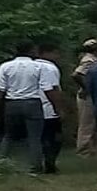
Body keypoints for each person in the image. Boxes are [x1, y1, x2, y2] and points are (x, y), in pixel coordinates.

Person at [0, 41, 56, 174]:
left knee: (9, 135)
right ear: (32, 51)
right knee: (34, 137)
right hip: (32, 102)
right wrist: (56, 107)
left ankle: (0, 164)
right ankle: (35, 168)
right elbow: (47, 88)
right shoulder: (38, 67)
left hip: (12, 103)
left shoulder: (5, 66)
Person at [35, 42, 65, 174]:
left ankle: (37, 163)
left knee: (37, 137)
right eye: (55, 53)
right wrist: (58, 108)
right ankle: (50, 163)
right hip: (48, 107)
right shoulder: (49, 68)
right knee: (53, 138)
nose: (58, 56)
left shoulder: (32, 65)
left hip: (33, 106)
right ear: (46, 53)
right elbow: (52, 89)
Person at [72, 39, 97, 156]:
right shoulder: (88, 60)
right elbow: (76, 75)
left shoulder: (93, 59)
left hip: (92, 94)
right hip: (87, 96)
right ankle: (83, 150)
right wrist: (85, 88)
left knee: (92, 123)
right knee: (87, 123)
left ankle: (91, 149)